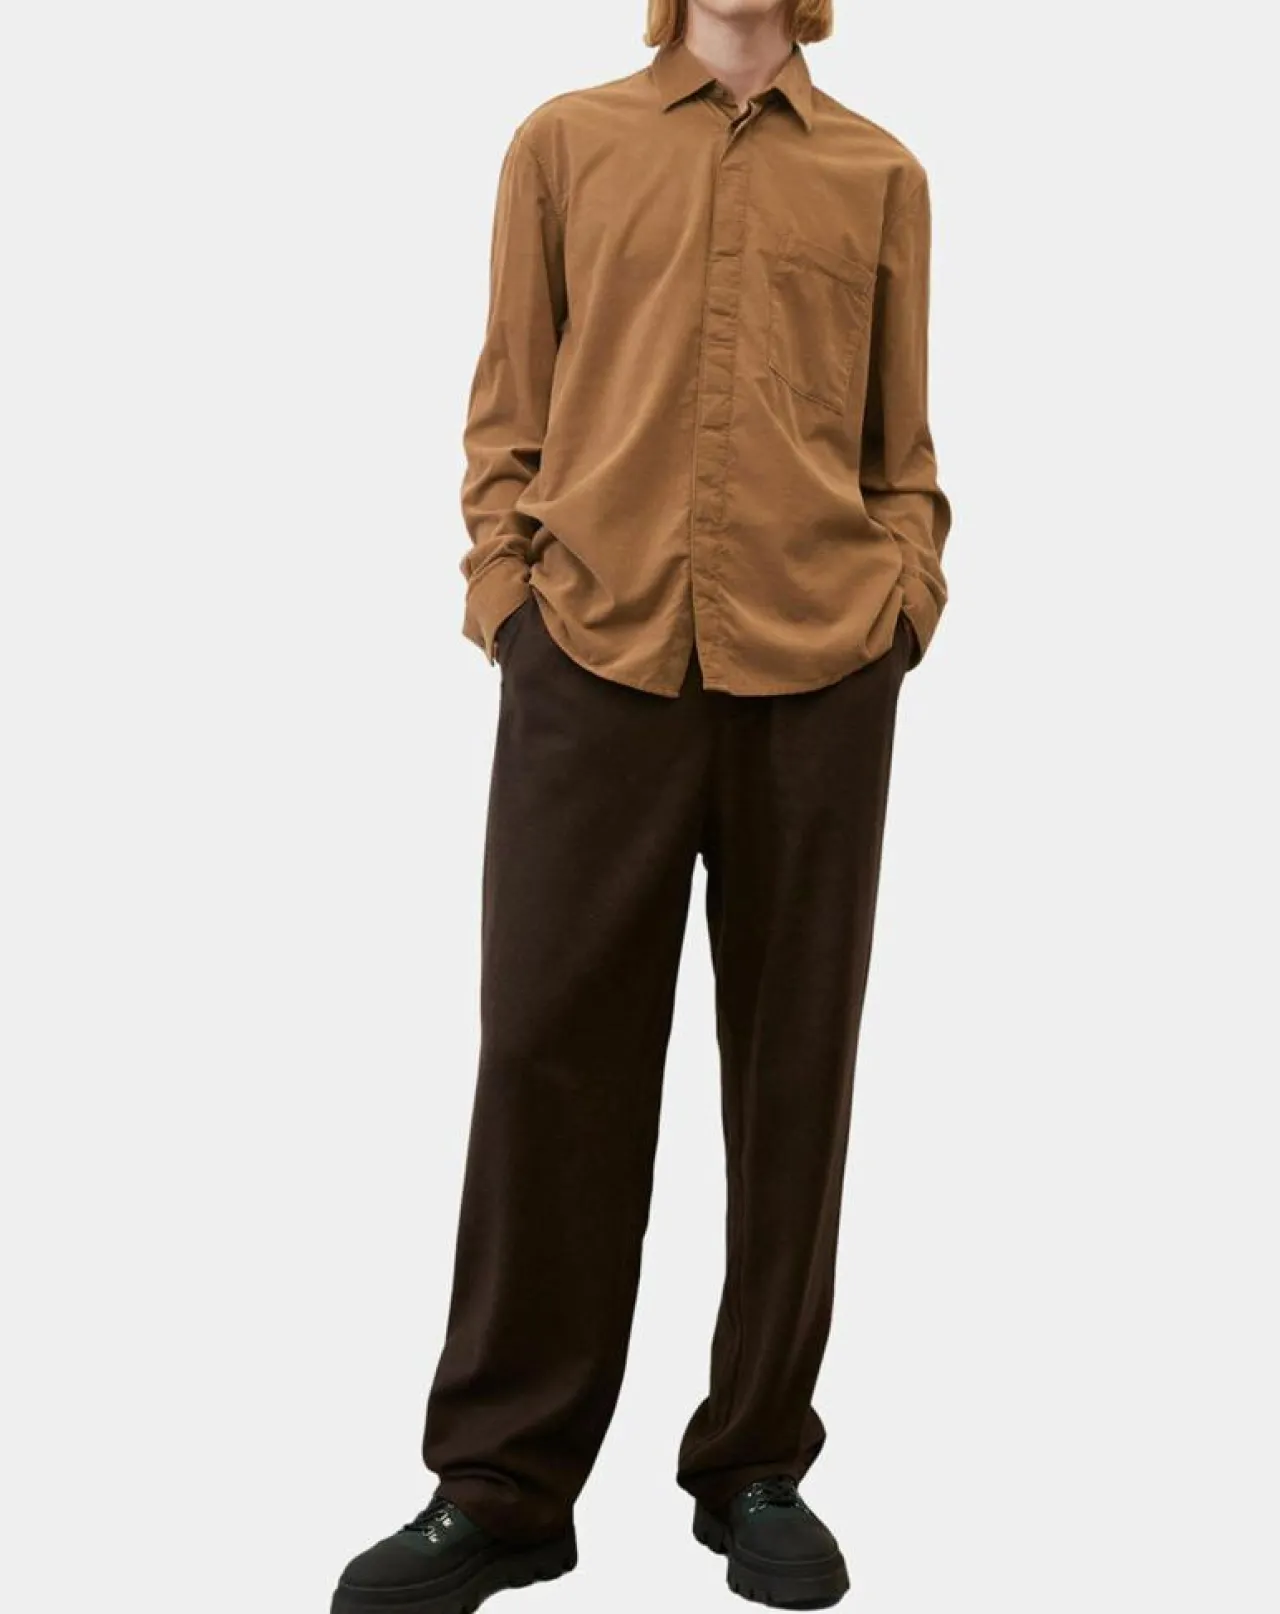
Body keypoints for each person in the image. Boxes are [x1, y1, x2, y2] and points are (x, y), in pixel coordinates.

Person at [331, 0, 950, 1608]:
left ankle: (755, 1463)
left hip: (821, 667)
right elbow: (507, 407)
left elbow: (901, 448)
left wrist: (903, 602)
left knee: (794, 1067)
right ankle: (504, 1483)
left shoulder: (881, 174)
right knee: (546, 1052)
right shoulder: (564, 143)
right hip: (591, 651)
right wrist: (508, 602)